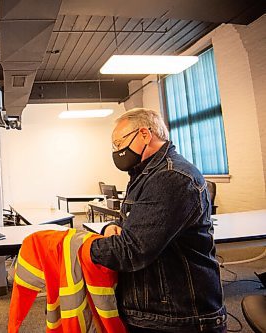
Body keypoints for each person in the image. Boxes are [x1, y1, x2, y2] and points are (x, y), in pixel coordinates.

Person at [90, 108, 226, 332]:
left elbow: (131, 250)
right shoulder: (146, 174)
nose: (117, 151)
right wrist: (111, 227)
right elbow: (135, 227)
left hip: (175, 317)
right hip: (157, 308)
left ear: (144, 134)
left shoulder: (170, 177)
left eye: (119, 143)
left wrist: (79, 246)